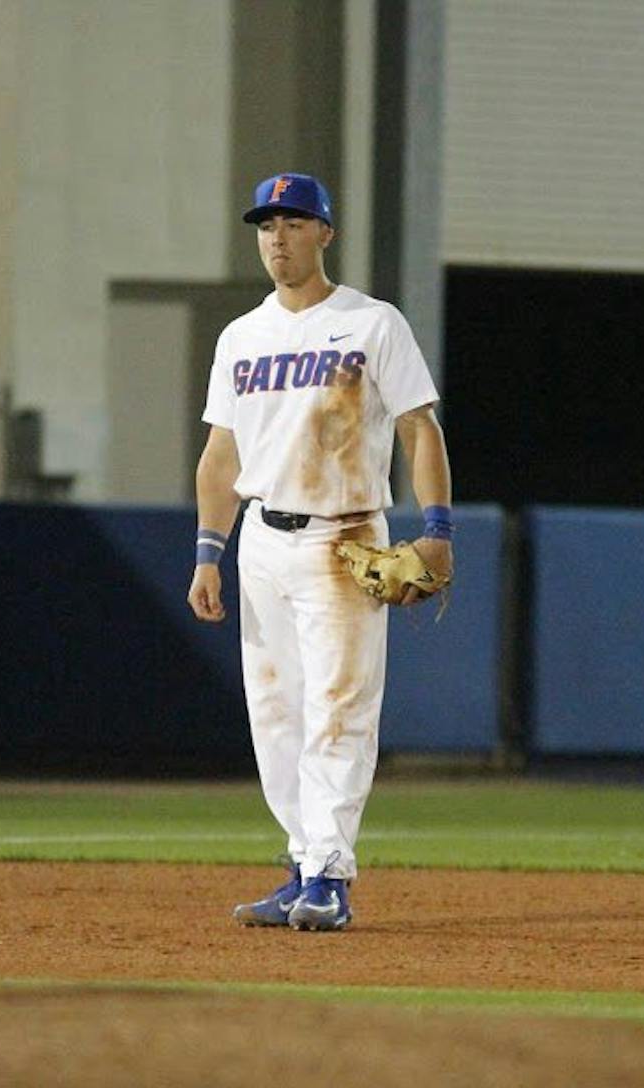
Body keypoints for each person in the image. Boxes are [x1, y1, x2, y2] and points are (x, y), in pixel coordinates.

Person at [187, 173, 454, 931]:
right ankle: (303, 860)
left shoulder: (372, 323)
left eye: (294, 221)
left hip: (345, 536)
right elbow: (220, 454)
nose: (277, 236)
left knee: (339, 706)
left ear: (325, 233)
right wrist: (210, 550)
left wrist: (437, 529)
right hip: (261, 542)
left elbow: (419, 428)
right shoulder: (242, 336)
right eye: (267, 224)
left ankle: (329, 877)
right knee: (275, 716)